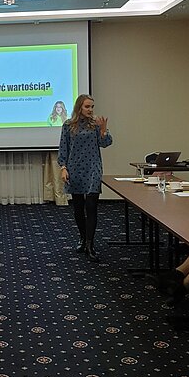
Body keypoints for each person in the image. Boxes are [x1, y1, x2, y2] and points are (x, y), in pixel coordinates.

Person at [58, 94, 112, 262]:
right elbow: (63, 148)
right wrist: (63, 168)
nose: (90, 110)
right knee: (78, 208)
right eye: (87, 106)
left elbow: (106, 143)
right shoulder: (68, 125)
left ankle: (90, 244)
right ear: (79, 107)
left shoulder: (95, 125)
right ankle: (82, 238)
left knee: (91, 206)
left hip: (93, 169)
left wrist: (103, 130)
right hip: (75, 168)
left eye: (92, 107)